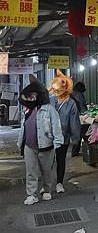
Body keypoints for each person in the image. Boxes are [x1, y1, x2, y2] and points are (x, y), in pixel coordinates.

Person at [18, 75, 64, 205]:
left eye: (32, 95)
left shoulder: (48, 109)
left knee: (46, 171)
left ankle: (47, 190)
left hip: (46, 145)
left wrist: (57, 141)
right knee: (31, 172)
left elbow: (56, 125)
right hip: (29, 145)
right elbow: (24, 127)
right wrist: (20, 142)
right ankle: (32, 194)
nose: (30, 98)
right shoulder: (27, 109)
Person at [49, 70, 81, 194]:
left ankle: (59, 183)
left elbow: (74, 122)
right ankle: (46, 184)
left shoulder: (71, 104)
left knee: (60, 160)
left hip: (63, 137)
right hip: (49, 137)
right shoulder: (50, 100)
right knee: (47, 162)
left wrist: (75, 138)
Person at [71, 81, 87, 157]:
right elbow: (81, 107)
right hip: (80, 117)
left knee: (78, 135)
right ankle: (87, 150)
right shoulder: (79, 95)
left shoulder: (74, 93)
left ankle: (75, 152)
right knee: (82, 133)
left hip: (75, 117)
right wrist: (86, 113)